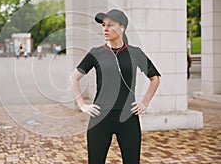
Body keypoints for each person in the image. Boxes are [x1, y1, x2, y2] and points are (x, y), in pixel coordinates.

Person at [69, 9, 161, 164]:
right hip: (100, 118)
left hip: (128, 118)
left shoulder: (135, 53)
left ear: (122, 27)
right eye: (103, 25)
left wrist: (144, 102)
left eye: (110, 25)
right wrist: (82, 104)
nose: (105, 28)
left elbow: (155, 78)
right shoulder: (96, 53)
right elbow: (73, 78)